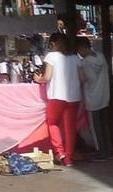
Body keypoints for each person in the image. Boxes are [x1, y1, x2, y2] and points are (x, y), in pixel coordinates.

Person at [34, 32, 81, 167]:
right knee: (70, 128)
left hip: (57, 96)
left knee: (53, 123)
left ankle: (60, 152)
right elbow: (83, 78)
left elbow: (47, 77)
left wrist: (38, 79)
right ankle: (69, 158)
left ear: (53, 44)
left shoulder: (51, 56)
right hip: (74, 96)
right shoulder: (75, 58)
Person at [76, 37, 111, 161]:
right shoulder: (101, 56)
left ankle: (101, 152)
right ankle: (107, 150)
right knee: (104, 125)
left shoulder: (85, 63)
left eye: (79, 50)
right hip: (104, 96)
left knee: (96, 128)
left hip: (92, 98)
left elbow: (85, 79)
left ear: (83, 48)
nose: (79, 53)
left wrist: (79, 71)